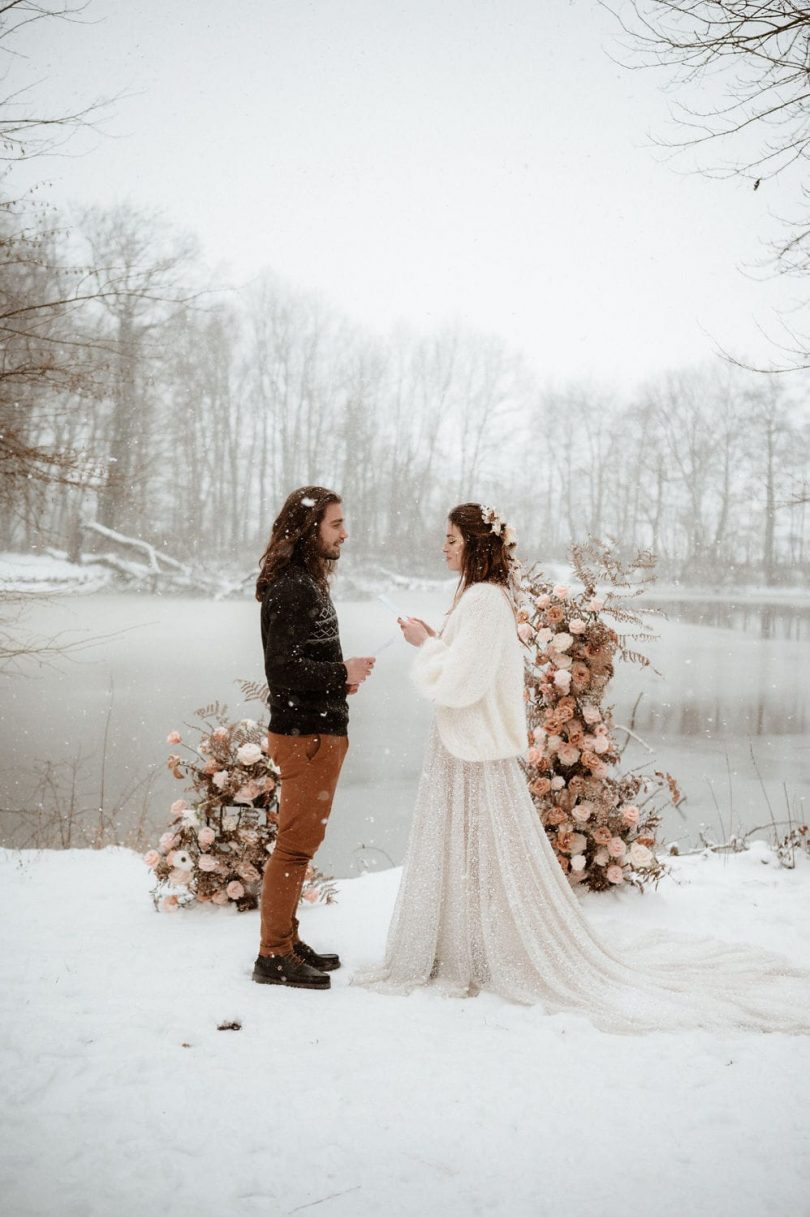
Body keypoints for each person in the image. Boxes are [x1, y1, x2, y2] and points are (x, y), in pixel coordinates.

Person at [353, 502, 810, 1034]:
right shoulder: (482, 597)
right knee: (478, 847)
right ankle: (471, 945)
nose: (444, 546)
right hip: (471, 745)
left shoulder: (481, 599)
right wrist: (438, 639)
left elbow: (463, 683)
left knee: (476, 845)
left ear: (478, 544)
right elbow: (470, 664)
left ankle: (472, 949)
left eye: (452, 538)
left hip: (473, 749)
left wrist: (425, 644)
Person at [253, 486, 375, 991]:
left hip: (320, 731)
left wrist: (338, 676)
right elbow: (282, 670)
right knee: (295, 848)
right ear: (309, 530)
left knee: (302, 844)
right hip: (306, 736)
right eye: (335, 524)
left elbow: (304, 662)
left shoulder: (306, 581)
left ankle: (286, 938)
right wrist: (340, 671)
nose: (345, 533)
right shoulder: (291, 587)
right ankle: (273, 955)